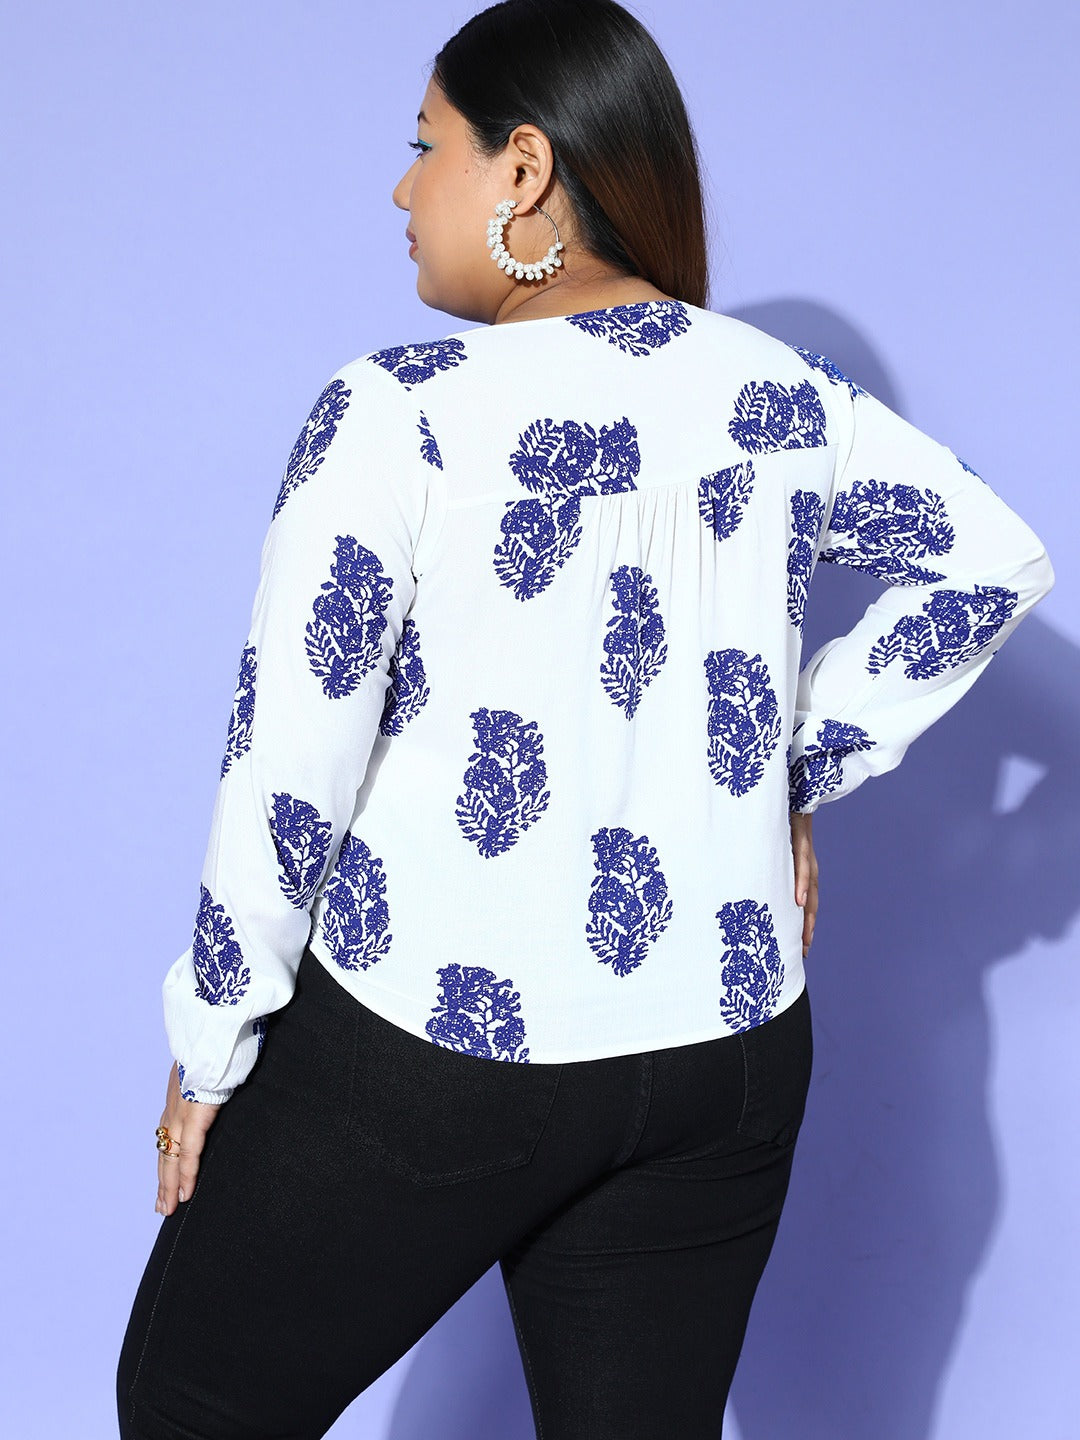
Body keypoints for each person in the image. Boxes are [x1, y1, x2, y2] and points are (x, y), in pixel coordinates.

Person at [115, 2, 1056, 1437]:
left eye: (425, 145)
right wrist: (785, 769)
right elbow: (996, 561)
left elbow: (287, 773)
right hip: (725, 1048)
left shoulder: (397, 414)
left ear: (523, 168)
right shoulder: (775, 397)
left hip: (440, 1054)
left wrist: (213, 1046)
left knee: (190, 1405)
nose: (401, 188)